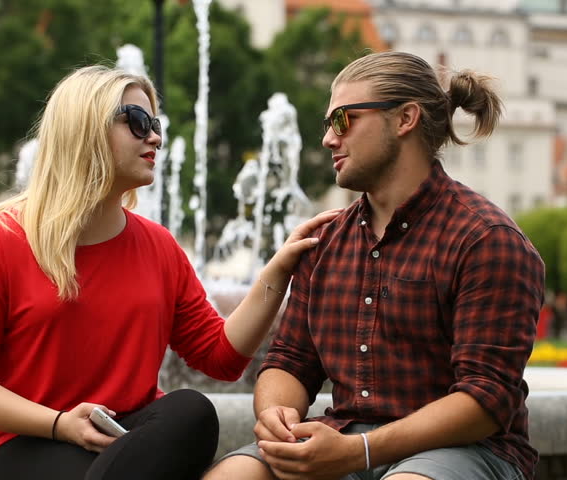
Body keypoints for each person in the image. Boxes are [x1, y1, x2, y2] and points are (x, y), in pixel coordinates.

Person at [0, 65, 339, 480]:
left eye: (155, 124)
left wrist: (279, 269)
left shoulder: (158, 246)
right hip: (24, 446)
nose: (156, 138)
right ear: (85, 129)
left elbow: (221, 358)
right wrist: (60, 423)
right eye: (138, 122)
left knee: (191, 411)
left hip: (126, 444)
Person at [206, 51, 545, 480]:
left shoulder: (486, 240)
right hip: (345, 439)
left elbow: (485, 400)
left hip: (465, 450)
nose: (329, 139)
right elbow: (290, 361)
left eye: (343, 120)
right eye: (327, 124)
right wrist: (277, 415)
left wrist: (359, 451)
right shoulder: (324, 241)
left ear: (405, 119)